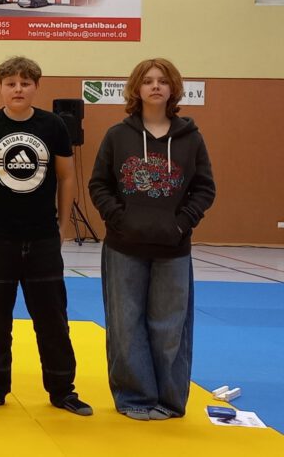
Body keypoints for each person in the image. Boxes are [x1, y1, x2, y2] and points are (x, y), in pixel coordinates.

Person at [0, 56, 92, 416]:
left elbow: (66, 177)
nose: (18, 89)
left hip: (42, 238)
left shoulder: (53, 126)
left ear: (36, 87)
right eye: (11, 83)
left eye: (25, 83)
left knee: (52, 320)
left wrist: (62, 226)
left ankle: (63, 390)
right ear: (1, 87)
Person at [89, 58, 215, 421]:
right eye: (148, 81)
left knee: (170, 327)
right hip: (124, 246)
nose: (155, 86)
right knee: (126, 325)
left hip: (173, 248)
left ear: (173, 88)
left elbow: (204, 189)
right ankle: (134, 396)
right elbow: (99, 184)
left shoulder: (191, 138)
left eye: (162, 80)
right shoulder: (118, 135)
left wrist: (181, 224)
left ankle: (170, 401)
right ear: (137, 89)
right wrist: (119, 218)